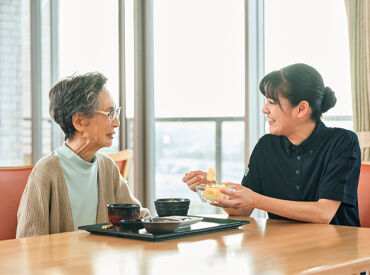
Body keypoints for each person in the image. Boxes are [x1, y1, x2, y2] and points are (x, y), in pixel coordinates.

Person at [183, 63, 361, 226]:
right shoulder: (266, 146)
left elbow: (323, 214)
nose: (264, 109)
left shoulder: (342, 142)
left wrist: (256, 199)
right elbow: (242, 210)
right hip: (284, 251)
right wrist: (213, 191)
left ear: (301, 109)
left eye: (271, 102)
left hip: (336, 250)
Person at [17, 72, 149, 238]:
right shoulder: (46, 171)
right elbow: (28, 244)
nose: (116, 122)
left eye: (116, 112)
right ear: (79, 122)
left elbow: (138, 218)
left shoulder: (107, 167)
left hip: (103, 263)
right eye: (109, 114)